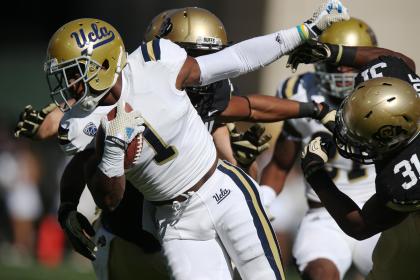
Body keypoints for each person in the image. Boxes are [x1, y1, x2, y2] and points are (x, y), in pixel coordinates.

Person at [36, 2, 349, 279]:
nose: (69, 86)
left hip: (223, 190)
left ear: (103, 64)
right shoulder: (80, 125)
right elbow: (109, 200)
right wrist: (112, 155)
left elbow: (236, 58)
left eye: (74, 74)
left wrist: (303, 32)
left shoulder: (156, 61)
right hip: (174, 222)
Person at [259, 18, 381, 279]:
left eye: (351, 64)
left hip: (379, 208)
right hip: (324, 214)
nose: (343, 72)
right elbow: (281, 164)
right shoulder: (300, 91)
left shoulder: (386, 96)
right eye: (336, 64)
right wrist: (261, 203)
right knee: (319, 273)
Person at [301, 76, 420, 280]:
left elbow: (359, 226)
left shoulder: (404, 178)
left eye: (364, 136)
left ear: (389, 132)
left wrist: (314, 172)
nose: (358, 142)